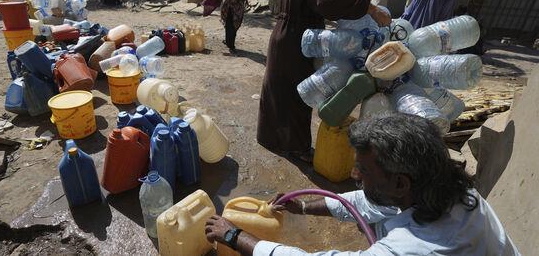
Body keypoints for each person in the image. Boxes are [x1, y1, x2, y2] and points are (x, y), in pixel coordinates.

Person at [206, 113, 520, 256]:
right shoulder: (449, 188)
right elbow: (369, 202)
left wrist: (234, 236)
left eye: (364, 169)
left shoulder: (416, 249)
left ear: (400, 182)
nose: (355, 175)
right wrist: (301, 205)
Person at [257, 0, 390, 162]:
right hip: (300, 39)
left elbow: (309, 3)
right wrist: (369, 8)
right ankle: (297, 148)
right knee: (301, 93)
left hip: (282, 35)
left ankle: (270, 138)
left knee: (278, 88)